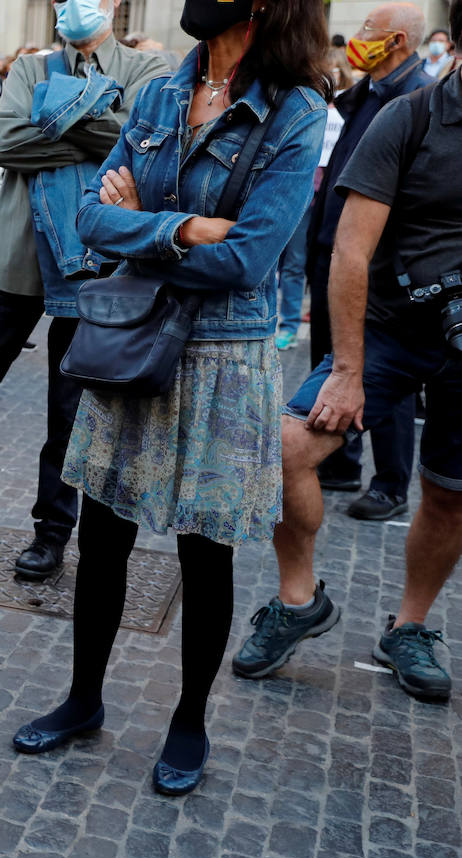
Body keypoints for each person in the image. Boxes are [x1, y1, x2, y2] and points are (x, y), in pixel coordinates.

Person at [12, 0, 328, 796]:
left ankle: (190, 719)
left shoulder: (295, 111)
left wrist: (144, 224)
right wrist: (184, 232)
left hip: (224, 354)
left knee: (204, 549)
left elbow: (250, 261)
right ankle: (83, 699)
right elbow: (88, 218)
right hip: (134, 335)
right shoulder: (159, 94)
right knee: (105, 532)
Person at [235, 0, 462, 703]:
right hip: (390, 333)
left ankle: (410, 628)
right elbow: (351, 252)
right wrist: (349, 369)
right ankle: (298, 599)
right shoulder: (411, 118)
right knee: (285, 450)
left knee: (449, 497)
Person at [0, 0, 168, 583]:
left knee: (68, 412)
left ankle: (51, 533)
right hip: (16, 257)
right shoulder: (31, 69)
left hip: (93, 263)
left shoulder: (147, 72)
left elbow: (140, 145)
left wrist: (58, 120)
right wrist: (98, 124)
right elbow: (7, 145)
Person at [301, 4, 433, 523]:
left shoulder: (416, 98)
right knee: (330, 360)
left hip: (376, 264)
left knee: (381, 371)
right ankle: (340, 460)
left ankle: (390, 482)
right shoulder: (367, 91)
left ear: (396, 40)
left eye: (367, 32)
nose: (357, 39)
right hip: (330, 248)